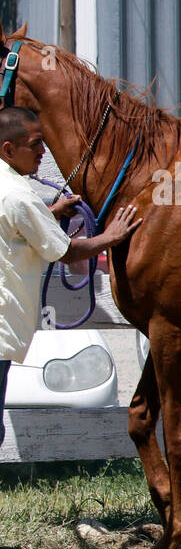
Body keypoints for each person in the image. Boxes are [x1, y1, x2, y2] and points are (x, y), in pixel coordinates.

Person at [0, 106, 143, 444]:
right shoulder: (20, 196)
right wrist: (111, 237)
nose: (42, 153)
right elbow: (66, 252)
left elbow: (13, 226)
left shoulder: (10, 191)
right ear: (9, 149)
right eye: (35, 145)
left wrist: (47, 213)